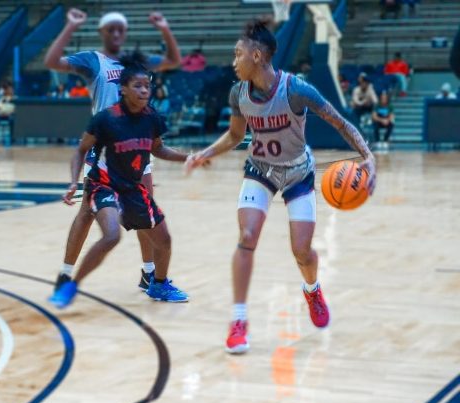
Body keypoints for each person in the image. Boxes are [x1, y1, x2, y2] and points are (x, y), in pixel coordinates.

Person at [186, 19, 376, 354]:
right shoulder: (238, 93)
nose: (233, 61)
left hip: (298, 173)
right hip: (260, 170)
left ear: (257, 56)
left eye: (238, 54)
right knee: (247, 237)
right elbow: (234, 136)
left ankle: (312, 289)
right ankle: (239, 321)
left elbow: (340, 122)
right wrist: (204, 153)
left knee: (302, 251)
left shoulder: (297, 90)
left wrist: (368, 156)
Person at [43, 8, 182, 294]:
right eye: (111, 29)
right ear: (103, 33)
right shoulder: (93, 61)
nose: (117, 34)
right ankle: (66, 274)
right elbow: (53, 61)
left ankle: (149, 273)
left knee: (145, 211)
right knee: (86, 213)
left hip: (138, 145)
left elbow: (173, 60)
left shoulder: (136, 63)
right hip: (105, 147)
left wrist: (164, 27)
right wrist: (70, 26)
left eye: (121, 29)